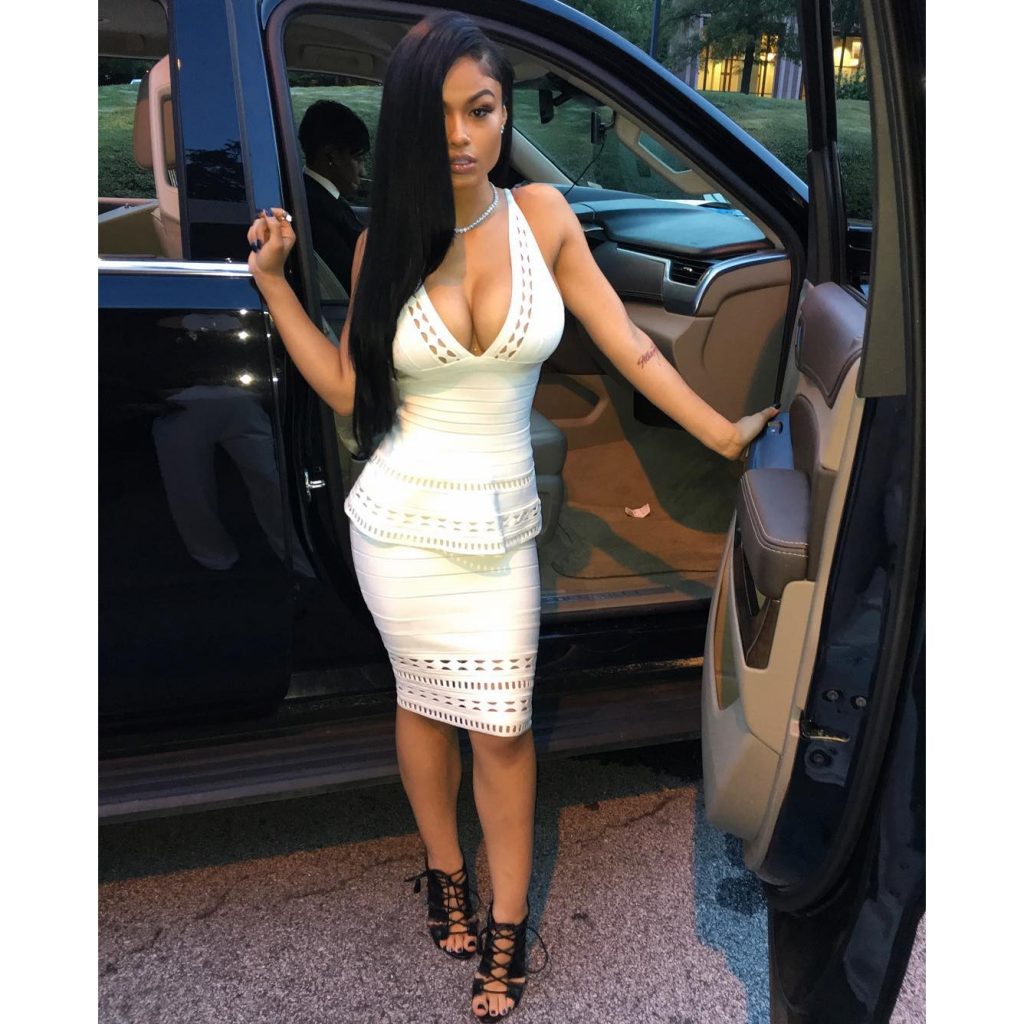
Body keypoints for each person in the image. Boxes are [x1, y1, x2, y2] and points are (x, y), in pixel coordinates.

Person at [247, 13, 777, 1021]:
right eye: (438, 116)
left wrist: (720, 434)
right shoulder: (382, 245)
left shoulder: (543, 216)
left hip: (498, 532)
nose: (460, 135)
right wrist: (275, 287)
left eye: (481, 110)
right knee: (420, 701)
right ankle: (444, 870)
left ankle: (505, 920)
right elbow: (351, 394)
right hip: (398, 527)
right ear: (407, 125)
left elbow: (629, 346)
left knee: (501, 726)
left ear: (503, 113)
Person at [298, 99, 369, 291]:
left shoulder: (315, 197)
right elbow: (355, 281)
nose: (363, 171)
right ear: (331, 156)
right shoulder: (317, 212)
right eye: (358, 159)